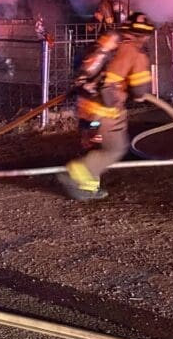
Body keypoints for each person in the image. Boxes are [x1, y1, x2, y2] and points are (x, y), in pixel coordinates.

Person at [59, 12, 154, 200]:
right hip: (106, 110)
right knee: (114, 149)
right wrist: (140, 94)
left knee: (94, 147)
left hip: (85, 105)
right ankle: (77, 172)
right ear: (144, 35)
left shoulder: (107, 41)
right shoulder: (136, 53)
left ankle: (88, 188)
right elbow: (139, 91)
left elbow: (85, 67)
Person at [73, 28, 122, 150]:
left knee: (95, 116)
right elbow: (87, 70)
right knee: (90, 116)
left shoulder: (106, 53)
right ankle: (88, 139)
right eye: (114, 41)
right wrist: (85, 83)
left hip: (95, 91)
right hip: (89, 92)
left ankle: (94, 137)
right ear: (106, 39)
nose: (115, 44)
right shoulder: (98, 53)